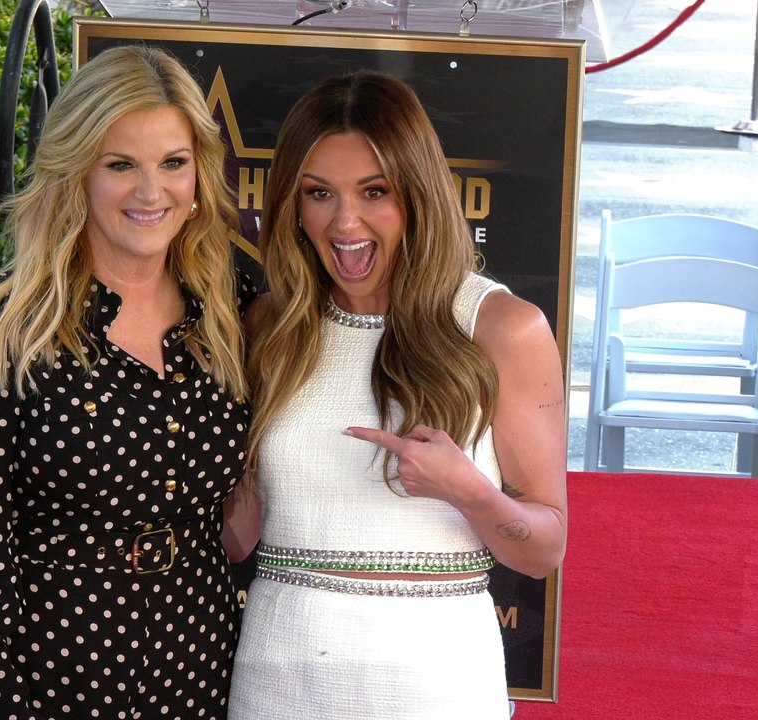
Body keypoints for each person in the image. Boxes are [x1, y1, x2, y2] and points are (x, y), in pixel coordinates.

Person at [0, 44, 254, 720]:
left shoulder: (231, 311)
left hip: (200, 667)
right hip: (44, 676)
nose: (151, 191)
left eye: (173, 162)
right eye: (120, 165)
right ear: (74, 173)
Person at [223, 71, 568, 719]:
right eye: (319, 193)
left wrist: (466, 489)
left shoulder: (500, 327)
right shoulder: (268, 326)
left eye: (374, 191)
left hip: (434, 678)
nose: (345, 221)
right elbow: (239, 540)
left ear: (419, 193)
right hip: (279, 674)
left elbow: (543, 548)